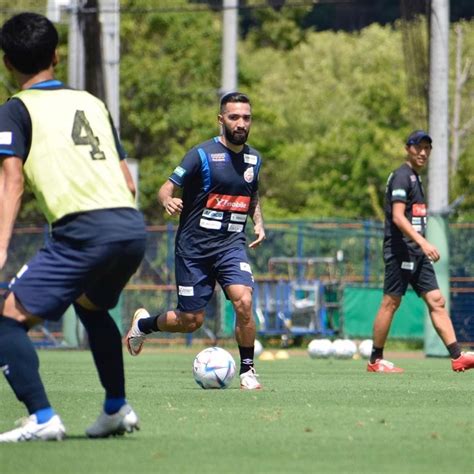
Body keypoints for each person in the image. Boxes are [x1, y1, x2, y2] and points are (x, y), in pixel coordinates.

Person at [0, 13, 147, 441]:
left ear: (7, 63)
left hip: (84, 231)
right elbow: (128, 182)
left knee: (7, 320)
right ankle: (116, 408)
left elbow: (11, 182)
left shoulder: (15, 109)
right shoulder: (92, 102)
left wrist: (2, 246)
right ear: (56, 57)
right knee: (92, 306)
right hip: (129, 226)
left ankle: (43, 418)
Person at [126, 92, 265, 389]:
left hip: (231, 245)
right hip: (194, 250)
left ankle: (248, 371)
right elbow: (166, 188)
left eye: (246, 117)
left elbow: (251, 194)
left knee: (244, 301)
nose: (241, 123)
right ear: (221, 120)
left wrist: (259, 223)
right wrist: (168, 201)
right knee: (192, 321)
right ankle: (143, 325)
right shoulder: (201, 155)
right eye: (234, 117)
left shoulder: (255, 158)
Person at [367, 130, 474, 373]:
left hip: (417, 253)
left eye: (427, 148)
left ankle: (457, 356)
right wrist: (424, 242)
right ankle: (376, 360)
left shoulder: (416, 178)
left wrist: (421, 246)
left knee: (437, 300)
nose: (423, 152)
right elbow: (397, 217)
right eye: (418, 147)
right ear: (408, 149)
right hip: (401, 251)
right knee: (390, 302)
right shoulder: (401, 177)